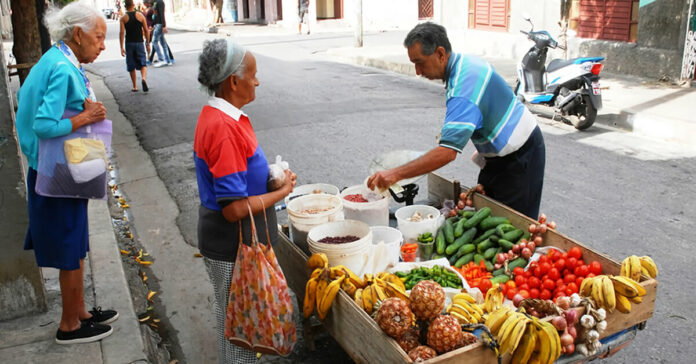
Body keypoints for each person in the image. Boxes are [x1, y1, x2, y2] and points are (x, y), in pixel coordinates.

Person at [15, 1, 118, 345]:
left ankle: (82, 312)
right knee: (68, 251)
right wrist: (85, 118)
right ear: (78, 34)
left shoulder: (59, 58)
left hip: (60, 168)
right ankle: (70, 325)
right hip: (54, 173)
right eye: (99, 37)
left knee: (75, 246)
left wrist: (84, 109)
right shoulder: (61, 67)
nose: (103, 44)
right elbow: (44, 124)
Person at [367, 22, 545, 219]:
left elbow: (447, 153)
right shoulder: (461, 64)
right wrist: (488, 141)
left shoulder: (463, 86)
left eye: (420, 62)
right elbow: (490, 104)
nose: (417, 71)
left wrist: (395, 174)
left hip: (521, 157)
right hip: (497, 157)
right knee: (487, 214)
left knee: (514, 227)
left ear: (440, 54)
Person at [195, 39, 297, 363]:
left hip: (235, 246)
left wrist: (269, 175)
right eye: (253, 74)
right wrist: (281, 193)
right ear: (233, 81)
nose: (257, 80)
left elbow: (236, 176)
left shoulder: (226, 116)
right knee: (241, 333)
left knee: (236, 321)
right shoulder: (223, 127)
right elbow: (233, 208)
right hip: (232, 247)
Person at [119, 0, 150, 92]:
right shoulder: (140, 16)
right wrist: (148, 43)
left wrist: (121, 47)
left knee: (131, 64)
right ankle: (143, 78)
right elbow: (146, 30)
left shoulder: (123, 18)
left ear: (125, 6)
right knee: (142, 62)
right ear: (133, 5)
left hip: (129, 44)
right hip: (139, 43)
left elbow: (121, 33)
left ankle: (135, 86)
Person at [152, 0, 173, 67]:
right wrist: (152, 24)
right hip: (157, 24)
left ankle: (161, 59)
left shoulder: (160, 2)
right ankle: (167, 60)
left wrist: (164, 25)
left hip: (159, 24)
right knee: (163, 43)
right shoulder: (155, 2)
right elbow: (155, 15)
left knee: (154, 41)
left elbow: (161, 14)